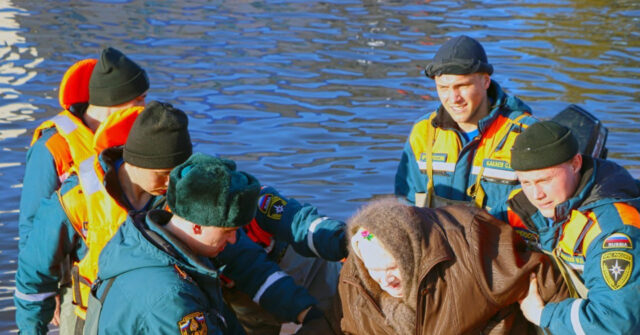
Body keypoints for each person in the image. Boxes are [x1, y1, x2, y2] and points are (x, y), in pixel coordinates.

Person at [16, 46, 148, 333]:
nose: (145, 108)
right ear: (115, 100)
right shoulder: (52, 148)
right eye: (140, 99)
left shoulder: (131, 138)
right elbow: (33, 228)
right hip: (76, 284)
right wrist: (48, 294)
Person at [332, 198, 568, 335]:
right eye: (375, 270)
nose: (385, 281)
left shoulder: (471, 248)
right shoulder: (355, 278)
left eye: (392, 267)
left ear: (409, 257)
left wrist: (545, 316)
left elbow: (545, 279)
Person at [83, 154, 260, 334]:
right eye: (227, 231)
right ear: (197, 226)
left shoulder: (137, 241)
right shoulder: (171, 297)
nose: (233, 240)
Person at [507, 121, 640, 334]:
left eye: (545, 180)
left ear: (576, 163)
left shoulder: (614, 229)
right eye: (526, 182)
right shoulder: (525, 204)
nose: (536, 195)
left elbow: (616, 322)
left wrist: (542, 315)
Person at [394, 35, 536, 221]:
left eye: (462, 86)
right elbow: (406, 202)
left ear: (485, 82)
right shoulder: (423, 132)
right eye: (443, 87)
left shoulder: (526, 134)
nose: (453, 98)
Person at [223, 186, 346, 334]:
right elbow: (255, 273)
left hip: (302, 268)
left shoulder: (256, 200)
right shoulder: (195, 242)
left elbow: (301, 223)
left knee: (335, 316)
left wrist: (344, 239)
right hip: (241, 292)